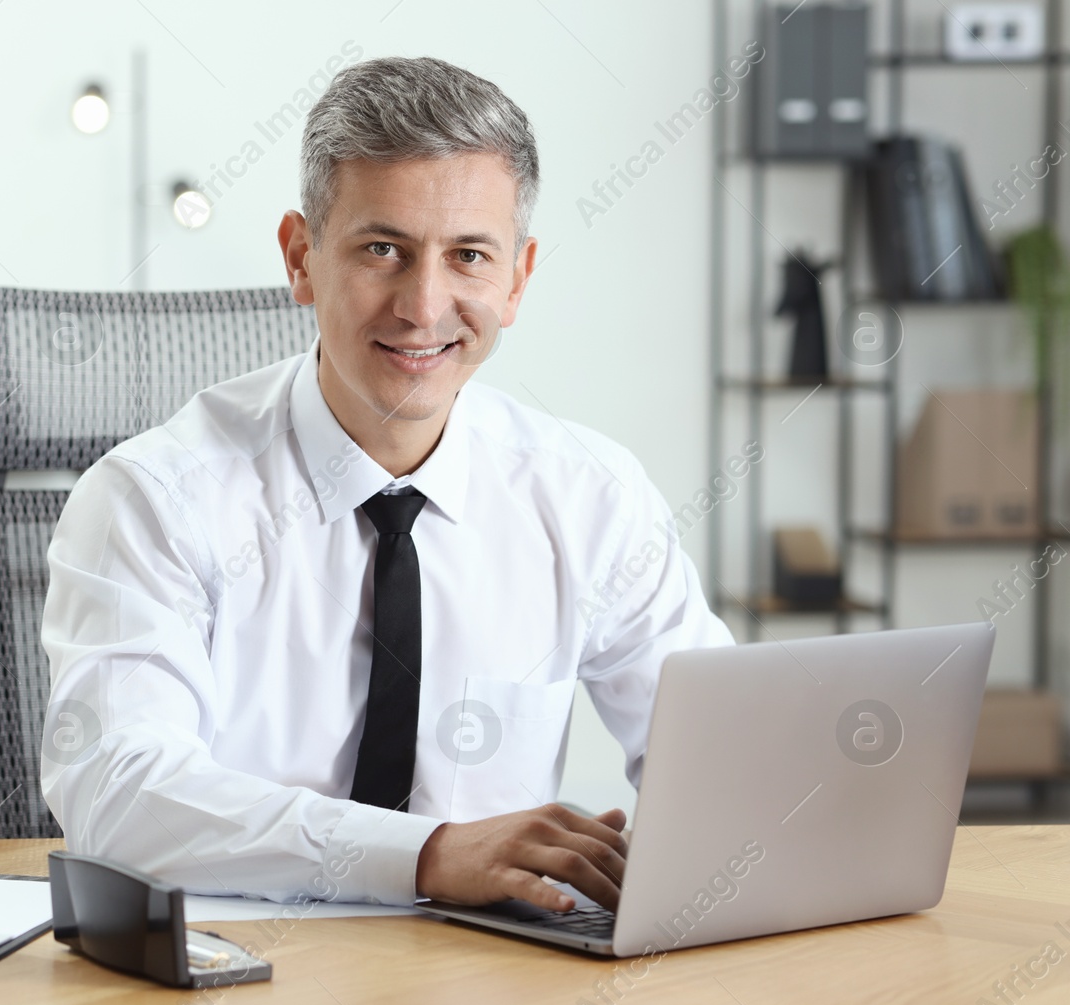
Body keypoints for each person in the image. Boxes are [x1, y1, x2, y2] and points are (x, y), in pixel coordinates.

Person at [40, 56, 733, 913]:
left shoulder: (590, 495)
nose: (423, 305)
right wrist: (429, 854)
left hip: (491, 996)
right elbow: (118, 791)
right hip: (237, 992)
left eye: (469, 257)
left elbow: (717, 750)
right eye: (382, 250)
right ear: (301, 258)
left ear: (516, 279)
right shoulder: (155, 496)